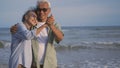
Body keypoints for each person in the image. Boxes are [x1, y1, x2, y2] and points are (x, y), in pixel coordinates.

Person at [10, 0, 64, 68]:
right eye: (39, 9)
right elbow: (24, 32)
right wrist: (13, 28)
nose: (41, 12)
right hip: (33, 64)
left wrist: (51, 25)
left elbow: (60, 38)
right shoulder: (32, 24)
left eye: (44, 10)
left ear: (49, 10)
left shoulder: (54, 24)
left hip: (50, 64)